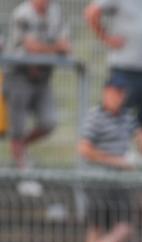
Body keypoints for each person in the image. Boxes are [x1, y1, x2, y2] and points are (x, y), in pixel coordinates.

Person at [74, 75, 142, 242]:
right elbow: (84, 149)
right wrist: (117, 161)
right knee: (97, 226)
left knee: (125, 227)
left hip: (120, 182)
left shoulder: (127, 118)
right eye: (113, 92)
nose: (117, 97)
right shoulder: (95, 116)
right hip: (98, 180)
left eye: (120, 93)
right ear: (105, 93)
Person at [5, 0, 70, 186]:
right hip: (18, 76)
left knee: (49, 122)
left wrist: (44, 53)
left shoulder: (56, 11)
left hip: (43, 78)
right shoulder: (22, 13)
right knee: (17, 129)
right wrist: (54, 49)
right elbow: (30, 47)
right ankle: (23, 176)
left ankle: (20, 149)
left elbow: (66, 44)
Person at [84, 0, 142, 131]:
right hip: (123, 68)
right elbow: (91, 12)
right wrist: (105, 38)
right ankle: (112, 150)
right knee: (116, 117)